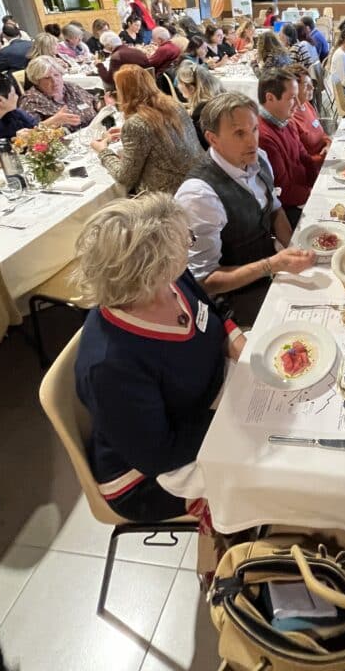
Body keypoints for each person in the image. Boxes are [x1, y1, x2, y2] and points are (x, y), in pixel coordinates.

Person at [74, 193, 236, 522]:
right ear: (152, 269)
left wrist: (235, 337)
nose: (190, 246)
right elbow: (158, 455)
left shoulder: (170, 281)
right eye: (185, 241)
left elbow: (211, 310)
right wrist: (236, 414)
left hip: (207, 406)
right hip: (148, 479)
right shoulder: (110, 365)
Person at [176, 93, 315, 324]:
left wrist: (294, 248)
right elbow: (204, 280)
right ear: (213, 138)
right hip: (234, 296)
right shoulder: (199, 195)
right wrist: (271, 265)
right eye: (239, 133)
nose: (252, 142)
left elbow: (275, 209)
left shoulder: (258, 158)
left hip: (269, 268)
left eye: (254, 130)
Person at [92, 65, 202, 194]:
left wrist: (103, 151)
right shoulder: (175, 105)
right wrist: (126, 133)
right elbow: (163, 136)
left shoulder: (136, 124)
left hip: (166, 197)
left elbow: (125, 178)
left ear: (124, 92)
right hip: (197, 180)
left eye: (117, 89)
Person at [257, 69, 318, 227]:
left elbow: (305, 159)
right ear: (270, 98)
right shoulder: (263, 137)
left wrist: (318, 183)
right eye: (292, 98)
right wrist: (316, 193)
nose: (298, 104)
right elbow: (283, 192)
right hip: (289, 209)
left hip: (304, 193)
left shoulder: (287, 121)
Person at [0, 72, 77, 153]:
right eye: (14, 94)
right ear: (1, 100)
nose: (18, 97)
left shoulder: (14, 113)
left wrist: (55, 120)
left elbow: (34, 128)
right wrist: (17, 144)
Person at [20, 56, 97, 128]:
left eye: (56, 75)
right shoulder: (30, 100)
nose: (54, 81)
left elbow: (94, 102)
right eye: (47, 78)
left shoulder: (70, 87)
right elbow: (29, 133)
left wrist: (103, 103)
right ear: (36, 81)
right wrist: (53, 121)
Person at [288, 63, 330, 165]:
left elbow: (321, 133)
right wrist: (324, 157)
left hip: (325, 159)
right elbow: (301, 160)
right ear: (294, 88)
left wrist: (328, 144)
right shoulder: (290, 119)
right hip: (315, 169)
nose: (312, 88)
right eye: (307, 85)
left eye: (311, 83)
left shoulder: (306, 104)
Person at [176, 60, 225, 148]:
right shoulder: (216, 96)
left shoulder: (202, 110)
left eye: (180, 83)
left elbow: (199, 142)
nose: (178, 86)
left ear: (191, 88)